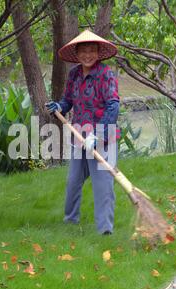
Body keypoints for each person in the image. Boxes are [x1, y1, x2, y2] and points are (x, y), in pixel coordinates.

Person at [46, 29, 120, 235]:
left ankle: (105, 230)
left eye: (92, 50)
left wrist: (98, 135)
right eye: (83, 51)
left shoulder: (106, 75)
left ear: (98, 52)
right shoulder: (74, 74)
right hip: (79, 136)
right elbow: (68, 100)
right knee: (73, 182)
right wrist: (59, 107)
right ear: (77, 54)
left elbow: (113, 106)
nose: (88, 55)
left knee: (102, 185)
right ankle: (70, 221)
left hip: (103, 139)